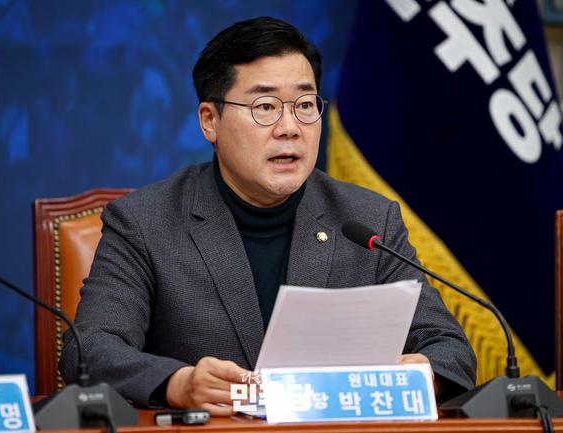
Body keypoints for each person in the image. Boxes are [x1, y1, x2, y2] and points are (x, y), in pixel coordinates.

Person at [60, 16, 476, 415]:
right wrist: (177, 383)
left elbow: (449, 348)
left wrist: (422, 372)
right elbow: (89, 349)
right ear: (210, 120)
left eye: (305, 104)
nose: (290, 127)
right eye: (265, 106)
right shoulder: (145, 222)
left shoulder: (368, 221)